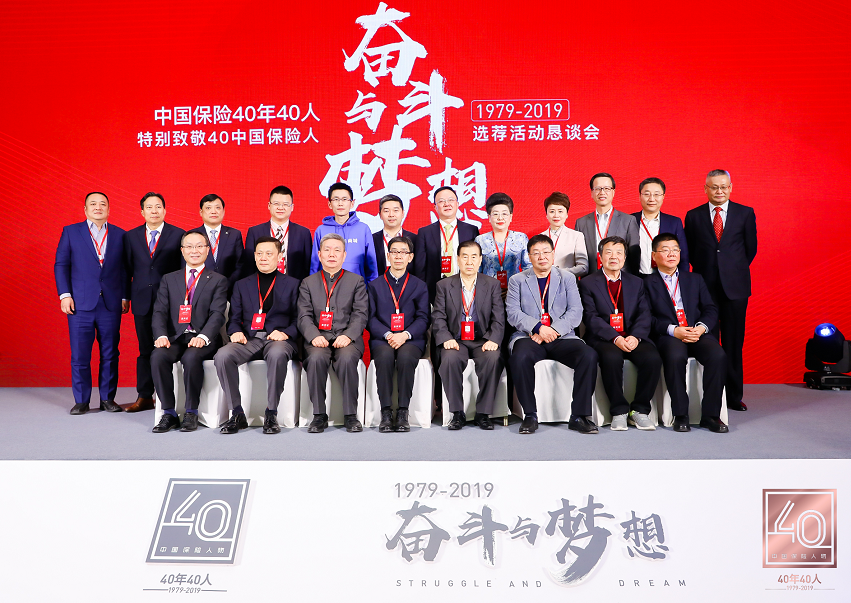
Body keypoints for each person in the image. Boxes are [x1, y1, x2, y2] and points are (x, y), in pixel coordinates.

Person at [506, 235, 599, 434]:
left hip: (562, 337)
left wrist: (553, 331)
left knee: (588, 355)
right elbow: (513, 313)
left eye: (546, 252)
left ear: (553, 254)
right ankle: (530, 415)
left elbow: (575, 312)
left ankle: (579, 416)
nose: (542, 257)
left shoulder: (567, 278)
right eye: (536, 253)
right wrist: (538, 328)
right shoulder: (517, 280)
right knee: (520, 357)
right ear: (529, 256)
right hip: (529, 337)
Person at [684, 169, 757, 412]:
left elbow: (750, 250)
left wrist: (730, 270)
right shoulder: (693, 216)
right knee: (709, 343)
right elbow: (690, 251)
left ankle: (734, 396)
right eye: (714, 187)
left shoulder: (745, 213)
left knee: (734, 343)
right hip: (705, 289)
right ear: (705, 189)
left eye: (723, 186)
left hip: (735, 289)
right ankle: (711, 396)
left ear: (731, 187)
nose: (719, 191)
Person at [214, 237, 300, 434]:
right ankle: (237, 413)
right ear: (254, 256)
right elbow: (234, 318)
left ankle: (271, 413)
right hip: (250, 339)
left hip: (279, 339)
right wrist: (235, 331)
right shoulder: (241, 285)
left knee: (277, 354)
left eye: (269, 254)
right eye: (259, 253)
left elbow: (300, 319)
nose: (263, 258)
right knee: (223, 355)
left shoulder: (293, 284)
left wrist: (285, 333)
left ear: (279, 257)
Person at [55, 192, 129, 415]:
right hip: (80, 304)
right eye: (93, 204)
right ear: (85, 209)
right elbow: (61, 264)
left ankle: (107, 398)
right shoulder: (71, 232)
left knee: (110, 354)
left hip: (110, 303)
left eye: (103, 204)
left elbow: (125, 269)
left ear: (109, 209)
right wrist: (65, 295)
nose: (98, 207)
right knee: (80, 355)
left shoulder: (120, 234)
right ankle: (81, 400)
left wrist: (125, 296)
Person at [645, 233, 728, 432]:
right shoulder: (646, 282)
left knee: (718, 355)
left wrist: (701, 328)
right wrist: (673, 330)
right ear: (654, 256)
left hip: (696, 331)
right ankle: (681, 414)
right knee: (675, 356)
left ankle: (711, 415)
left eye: (675, 250)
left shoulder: (694, 279)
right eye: (665, 250)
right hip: (668, 335)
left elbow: (710, 308)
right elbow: (646, 317)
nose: (671, 254)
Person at [579, 236, 662, 431]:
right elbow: (590, 317)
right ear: (600, 256)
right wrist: (615, 337)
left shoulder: (636, 282)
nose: (613, 257)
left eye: (619, 253)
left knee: (652, 358)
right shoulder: (588, 283)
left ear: (624, 258)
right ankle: (619, 411)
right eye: (608, 252)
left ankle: (640, 410)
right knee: (611, 358)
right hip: (604, 338)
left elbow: (644, 313)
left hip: (633, 336)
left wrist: (635, 336)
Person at [150, 231, 227, 433]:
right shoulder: (169, 279)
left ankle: (191, 412)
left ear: (207, 250)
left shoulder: (217, 280)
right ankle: (169, 413)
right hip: (175, 337)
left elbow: (217, 314)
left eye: (200, 246)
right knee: (158, 356)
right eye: (189, 246)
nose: (195, 251)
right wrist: (161, 335)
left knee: (191, 357)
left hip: (203, 338)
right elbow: (159, 311)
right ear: (182, 250)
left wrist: (203, 337)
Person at [298, 234, 369, 433]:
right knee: (315, 359)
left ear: (344, 255)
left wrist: (348, 335)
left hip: (347, 339)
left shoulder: (356, 281)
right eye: (327, 250)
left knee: (346, 359)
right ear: (319, 254)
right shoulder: (308, 283)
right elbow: (303, 315)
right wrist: (314, 336)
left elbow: (361, 313)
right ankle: (319, 415)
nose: (332, 254)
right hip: (318, 338)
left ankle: (350, 415)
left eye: (337, 250)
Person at [432, 240, 504, 430]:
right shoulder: (444, 285)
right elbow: (438, 316)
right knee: (449, 359)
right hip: (455, 340)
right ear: (458, 259)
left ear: (480, 260)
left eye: (474, 257)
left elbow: (499, 317)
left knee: (493, 358)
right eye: (465, 257)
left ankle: (483, 413)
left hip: (482, 339)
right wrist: (446, 338)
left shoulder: (492, 284)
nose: (469, 261)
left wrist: (493, 339)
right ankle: (457, 413)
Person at [123, 192, 185, 413]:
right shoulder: (131, 236)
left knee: (169, 347)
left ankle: (168, 396)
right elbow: (126, 270)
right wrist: (125, 297)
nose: (154, 211)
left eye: (158, 207)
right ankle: (144, 396)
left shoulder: (178, 234)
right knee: (145, 349)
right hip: (141, 301)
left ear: (165, 210)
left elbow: (183, 270)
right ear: (142, 212)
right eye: (149, 207)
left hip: (170, 302)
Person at [367, 236, 430, 432]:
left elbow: (423, 318)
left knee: (405, 357)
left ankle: (403, 412)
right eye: (394, 252)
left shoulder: (419, 285)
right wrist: (388, 334)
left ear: (410, 257)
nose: (398, 256)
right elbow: (370, 318)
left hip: (411, 338)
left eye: (403, 252)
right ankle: (386, 412)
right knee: (384, 357)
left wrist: (405, 335)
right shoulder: (375, 285)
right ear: (388, 256)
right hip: (383, 338)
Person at [413, 186, 480, 303]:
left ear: (457, 204)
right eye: (441, 201)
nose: (447, 204)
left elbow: (477, 262)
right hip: (435, 291)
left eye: (450, 200)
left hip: (466, 288)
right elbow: (420, 267)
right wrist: (422, 295)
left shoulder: (471, 230)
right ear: (435, 207)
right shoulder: (425, 232)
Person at [310, 182, 379, 282]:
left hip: (357, 287)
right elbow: (314, 265)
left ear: (352, 203)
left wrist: (371, 289)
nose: (340, 203)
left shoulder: (363, 229)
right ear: (329, 204)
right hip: (327, 287)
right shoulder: (321, 230)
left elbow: (372, 266)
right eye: (336, 199)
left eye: (344, 199)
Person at [574, 173, 641, 275]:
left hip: (620, 277)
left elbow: (634, 256)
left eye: (607, 188)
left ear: (613, 192)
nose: (602, 192)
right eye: (598, 189)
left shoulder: (628, 220)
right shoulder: (581, 223)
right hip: (591, 278)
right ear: (592, 193)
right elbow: (579, 256)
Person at [243, 185, 313, 281]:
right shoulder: (254, 232)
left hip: (295, 286)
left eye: (285, 204)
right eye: (276, 204)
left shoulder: (303, 233)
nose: (281, 208)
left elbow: (307, 265)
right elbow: (249, 266)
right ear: (269, 205)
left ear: (292, 207)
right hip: (262, 285)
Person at [631, 177, 689, 277]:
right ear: (640, 196)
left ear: (663, 196)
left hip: (665, 278)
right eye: (647, 194)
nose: (651, 199)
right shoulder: (629, 220)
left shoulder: (674, 222)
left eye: (656, 194)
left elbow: (683, 257)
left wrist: (682, 281)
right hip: (635, 278)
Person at [475, 192, 531, 293]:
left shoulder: (521, 238)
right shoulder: (480, 240)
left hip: (515, 291)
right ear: (489, 217)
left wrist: (523, 288)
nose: (500, 218)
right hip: (488, 292)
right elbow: (477, 270)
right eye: (495, 214)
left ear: (511, 217)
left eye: (504, 214)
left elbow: (528, 267)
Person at [188, 194, 244, 295]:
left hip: (228, 291)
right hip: (198, 291)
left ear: (223, 211)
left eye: (218, 208)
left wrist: (226, 284)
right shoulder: (191, 235)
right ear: (201, 212)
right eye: (208, 208)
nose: (213, 211)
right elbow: (186, 264)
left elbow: (240, 264)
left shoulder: (234, 234)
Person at [540, 191, 588, 277]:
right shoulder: (539, 238)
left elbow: (583, 267)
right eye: (552, 211)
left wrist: (560, 272)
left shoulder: (576, 236)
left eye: (560, 211)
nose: (556, 215)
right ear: (546, 214)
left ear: (566, 214)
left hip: (567, 282)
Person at [372, 194, 418, 275]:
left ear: (402, 213)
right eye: (386, 211)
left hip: (408, 282)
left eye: (396, 210)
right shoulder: (371, 239)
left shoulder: (415, 239)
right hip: (379, 282)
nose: (391, 215)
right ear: (380, 215)